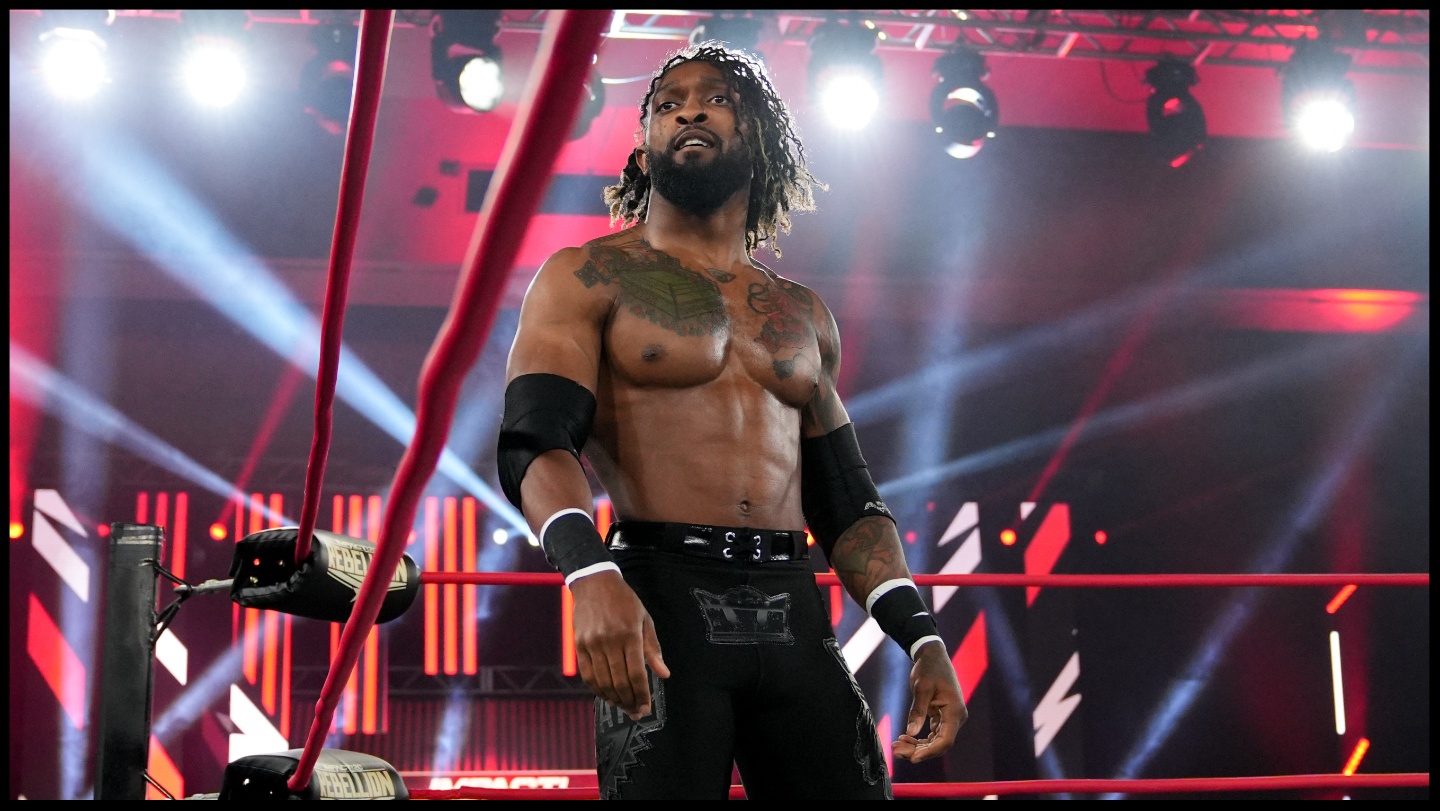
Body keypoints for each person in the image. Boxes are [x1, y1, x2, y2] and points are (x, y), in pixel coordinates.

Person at [497, 43, 965, 800]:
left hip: (793, 602)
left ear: (762, 141)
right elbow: (535, 440)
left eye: (714, 98)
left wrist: (923, 636)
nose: (688, 110)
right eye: (667, 103)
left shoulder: (802, 313)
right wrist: (589, 572)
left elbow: (846, 500)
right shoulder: (587, 276)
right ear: (644, 148)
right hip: (662, 598)